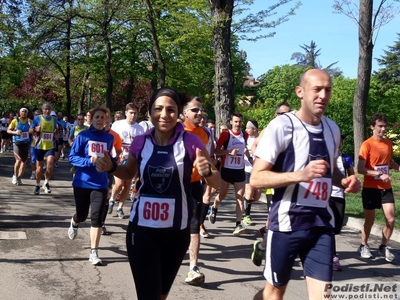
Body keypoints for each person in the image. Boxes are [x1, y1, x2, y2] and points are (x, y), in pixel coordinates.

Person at [95, 87, 220, 300]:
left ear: (178, 113)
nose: (164, 115)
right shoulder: (140, 142)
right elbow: (128, 172)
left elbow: (216, 181)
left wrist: (207, 171)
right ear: (150, 112)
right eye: (158, 109)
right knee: (148, 295)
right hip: (141, 231)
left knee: (161, 294)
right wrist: (112, 167)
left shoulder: (191, 142)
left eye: (171, 110)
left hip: (176, 233)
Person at [251, 69, 361, 300]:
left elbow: (329, 170)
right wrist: (300, 175)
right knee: (274, 293)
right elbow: (257, 178)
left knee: (324, 296)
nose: (323, 95)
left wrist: (343, 180)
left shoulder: (332, 129)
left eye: (327, 90)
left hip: (321, 224)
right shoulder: (282, 126)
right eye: (317, 89)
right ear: (300, 92)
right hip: (286, 225)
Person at [68, 106, 115, 266]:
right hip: (82, 182)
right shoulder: (82, 136)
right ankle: (75, 221)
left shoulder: (109, 139)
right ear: (91, 120)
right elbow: (72, 157)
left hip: (100, 183)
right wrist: (90, 161)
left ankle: (94, 252)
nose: (100, 120)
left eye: (103, 117)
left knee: (97, 218)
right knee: (82, 215)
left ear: (106, 121)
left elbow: (110, 159)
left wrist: (114, 162)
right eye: (97, 117)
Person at [182, 96, 220, 285]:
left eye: (200, 110)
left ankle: (193, 268)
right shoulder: (176, 130)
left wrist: (209, 171)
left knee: (194, 225)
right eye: (194, 110)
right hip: (175, 185)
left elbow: (208, 161)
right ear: (185, 113)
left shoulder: (204, 133)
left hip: (195, 184)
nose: (199, 113)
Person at [250, 102, 292, 266]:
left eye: (289, 114)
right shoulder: (269, 130)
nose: (286, 117)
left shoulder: (295, 131)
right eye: (282, 114)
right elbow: (254, 146)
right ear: (276, 116)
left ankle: (264, 246)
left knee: (280, 221)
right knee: (274, 220)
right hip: (274, 183)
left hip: (291, 184)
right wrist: (261, 161)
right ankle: (265, 249)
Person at [357, 113, 399, 262]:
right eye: (380, 126)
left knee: (391, 219)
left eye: (385, 126)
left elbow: (389, 162)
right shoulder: (367, 144)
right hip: (370, 187)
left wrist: (398, 167)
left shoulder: (388, 143)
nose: (383, 129)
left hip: (385, 187)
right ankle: (363, 245)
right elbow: (361, 168)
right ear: (372, 127)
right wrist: (379, 174)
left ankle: (383, 246)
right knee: (370, 221)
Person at [209, 112, 252, 235]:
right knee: (222, 195)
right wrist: (228, 152)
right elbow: (216, 150)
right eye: (236, 121)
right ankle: (215, 206)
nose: (238, 124)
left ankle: (238, 224)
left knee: (239, 197)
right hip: (227, 169)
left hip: (239, 170)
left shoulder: (245, 134)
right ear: (231, 122)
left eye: (240, 121)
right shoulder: (226, 134)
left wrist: (249, 158)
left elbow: (244, 149)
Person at [108, 103, 144, 219]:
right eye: (131, 113)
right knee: (119, 184)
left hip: (131, 160)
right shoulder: (117, 125)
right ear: (126, 113)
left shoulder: (140, 128)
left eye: (135, 113)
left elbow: (141, 146)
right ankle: (112, 199)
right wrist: (116, 154)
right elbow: (110, 140)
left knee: (127, 185)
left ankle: (120, 208)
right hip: (118, 158)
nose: (133, 115)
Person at [330, 134, 354, 271]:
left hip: (339, 196)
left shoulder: (346, 158)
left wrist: (351, 185)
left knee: (336, 228)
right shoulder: (325, 157)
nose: (339, 144)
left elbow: (351, 175)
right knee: (330, 228)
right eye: (336, 141)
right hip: (326, 196)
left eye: (341, 142)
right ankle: (333, 257)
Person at [29, 102, 61, 195]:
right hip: (39, 146)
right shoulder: (37, 118)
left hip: (50, 146)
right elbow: (30, 130)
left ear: (51, 110)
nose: (47, 111)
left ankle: (46, 182)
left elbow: (58, 132)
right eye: (45, 109)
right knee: (39, 168)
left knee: (50, 164)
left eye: (49, 109)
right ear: (42, 110)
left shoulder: (54, 120)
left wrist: (57, 135)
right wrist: (35, 129)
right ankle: (37, 184)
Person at [242, 119, 260, 226]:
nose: (246, 130)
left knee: (256, 196)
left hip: (258, 171)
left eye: (248, 128)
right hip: (247, 169)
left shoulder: (261, 139)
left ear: (254, 129)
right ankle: (246, 216)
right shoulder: (245, 139)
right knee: (249, 191)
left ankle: (246, 201)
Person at [7, 107, 31, 186]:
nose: (24, 113)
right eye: (22, 111)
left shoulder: (29, 121)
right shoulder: (15, 120)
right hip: (17, 143)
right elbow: (8, 130)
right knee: (19, 160)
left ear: (27, 113)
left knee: (24, 162)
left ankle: (19, 178)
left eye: (25, 112)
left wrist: (32, 128)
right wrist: (15, 132)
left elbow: (33, 131)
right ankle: (15, 175)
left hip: (26, 143)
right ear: (20, 113)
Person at [29, 109, 41, 180]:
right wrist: (35, 130)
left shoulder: (43, 121)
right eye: (36, 115)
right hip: (34, 144)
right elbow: (30, 131)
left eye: (39, 115)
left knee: (40, 160)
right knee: (33, 159)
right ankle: (33, 173)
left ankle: (39, 172)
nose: (37, 116)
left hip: (43, 144)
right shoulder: (31, 122)